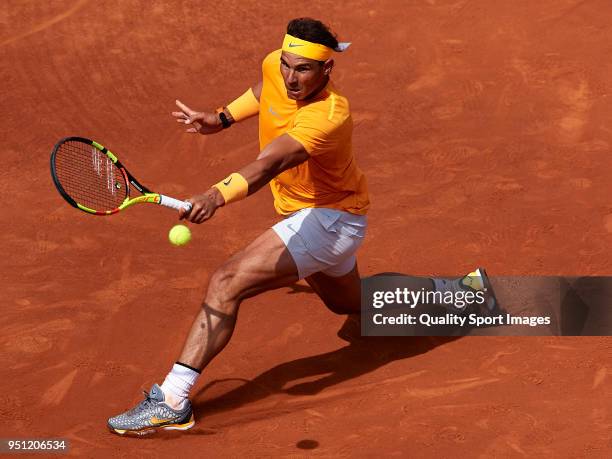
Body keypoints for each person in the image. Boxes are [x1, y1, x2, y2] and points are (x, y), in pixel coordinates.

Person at [107, 17, 495, 436]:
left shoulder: (328, 116)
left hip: (329, 220)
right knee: (352, 303)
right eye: (288, 65)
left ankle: (172, 400)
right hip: (326, 218)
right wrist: (221, 117)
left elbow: (269, 163)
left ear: (327, 69)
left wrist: (215, 195)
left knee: (226, 281)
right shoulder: (277, 65)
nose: (291, 77)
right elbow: (264, 89)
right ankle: (461, 292)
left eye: (303, 69)